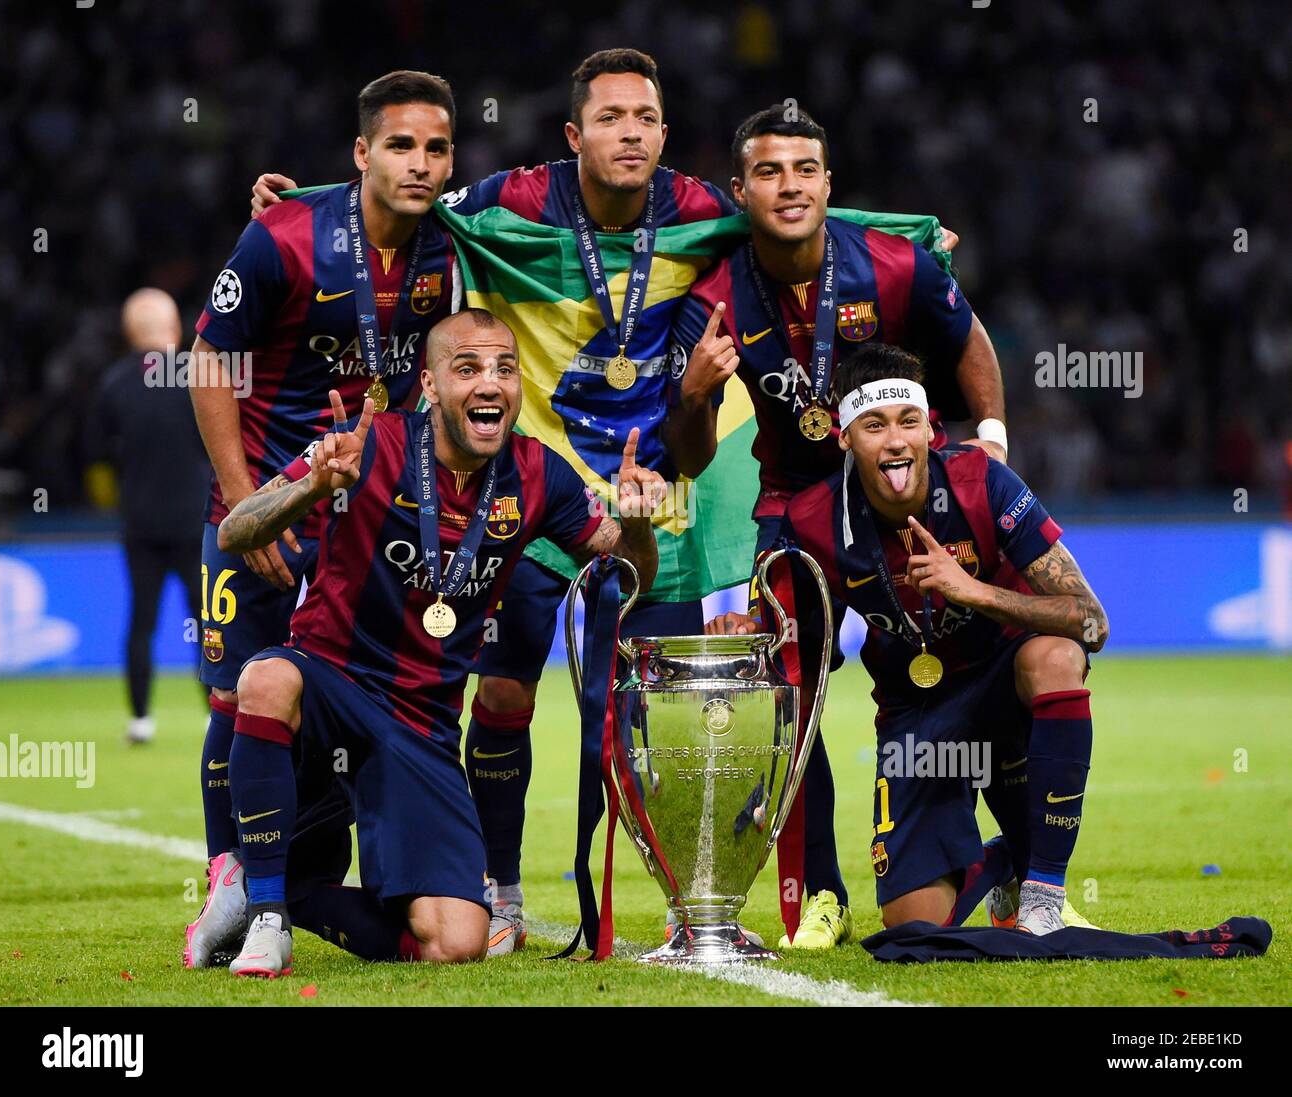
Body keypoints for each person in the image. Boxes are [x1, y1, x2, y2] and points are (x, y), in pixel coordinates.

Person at [250, 48, 736, 953]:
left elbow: (801, 214)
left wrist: (904, 237)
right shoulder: (515, 198)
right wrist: (311, 207)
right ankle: (500, 886)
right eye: (609, 117)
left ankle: (691, 899)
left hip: (646, 493)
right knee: (506, 692)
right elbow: (408, 188)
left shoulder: (702, 207)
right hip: (528, 481)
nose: (629, 132)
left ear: (664, 133)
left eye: (645, 118)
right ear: (574, 134)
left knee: (657, 704)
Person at [213, 309, 662, 974]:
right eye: (469, 368)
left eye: (504, 369)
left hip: (421, 725)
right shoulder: (367, 444)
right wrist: (311, 487)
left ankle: (292, 894)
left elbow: (628, 574)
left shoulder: (540, 475)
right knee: (265, 677)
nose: (491, 384)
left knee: (456, 941)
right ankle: (268, 917)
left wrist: (636, 523)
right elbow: (235, 532)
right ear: (428, 385)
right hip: (331, 682)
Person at [668, 104, 1006, 948]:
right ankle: (822, 890)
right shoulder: (711, 298)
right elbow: (691, 452)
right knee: (792, 694)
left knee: (966, 667)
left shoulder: (891, 266)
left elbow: (969, 340)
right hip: (795, 506)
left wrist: (992, 446)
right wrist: (695, 390)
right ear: (740, 189)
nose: (791, 186)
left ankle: (1022, 865)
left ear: (828, 182)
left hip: (904, 498)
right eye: (771, 172)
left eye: (806, 169)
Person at [183, 70, 463, 969]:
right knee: (234, 693)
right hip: (263, 504)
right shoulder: (283, 238)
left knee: (344, 691)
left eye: (437, 147)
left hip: (370, 518)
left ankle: (306, 879)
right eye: (400, 145)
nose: (419, 164)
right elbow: (207, 361)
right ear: (360, 152)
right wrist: (243, 505)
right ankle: (232, 876)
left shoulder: (452, 242)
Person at [721, 342, 1106, 935]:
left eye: (908, 422)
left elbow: (1091, 622)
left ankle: (1043, 894)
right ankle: (1003, 865)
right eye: (873, 425)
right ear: (844, 438)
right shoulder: (814, 519)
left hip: (1006, 680)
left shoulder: (986, 484)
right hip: (917, 708)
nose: (895, 440)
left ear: (931, 430)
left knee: (1055, 657)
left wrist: (977, 592)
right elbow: (796, 649)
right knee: (913, 928)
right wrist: (749, 630)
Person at [84, 288, 209, 744]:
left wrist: (115, 498)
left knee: (141, 622)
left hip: (140, 524)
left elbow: (95, 458)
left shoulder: (113, 383)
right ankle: (216, 714)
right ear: (174, 327)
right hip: (197, 523)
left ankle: (140, 719)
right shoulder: (196, 375)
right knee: (208, 621)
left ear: (128, 332)